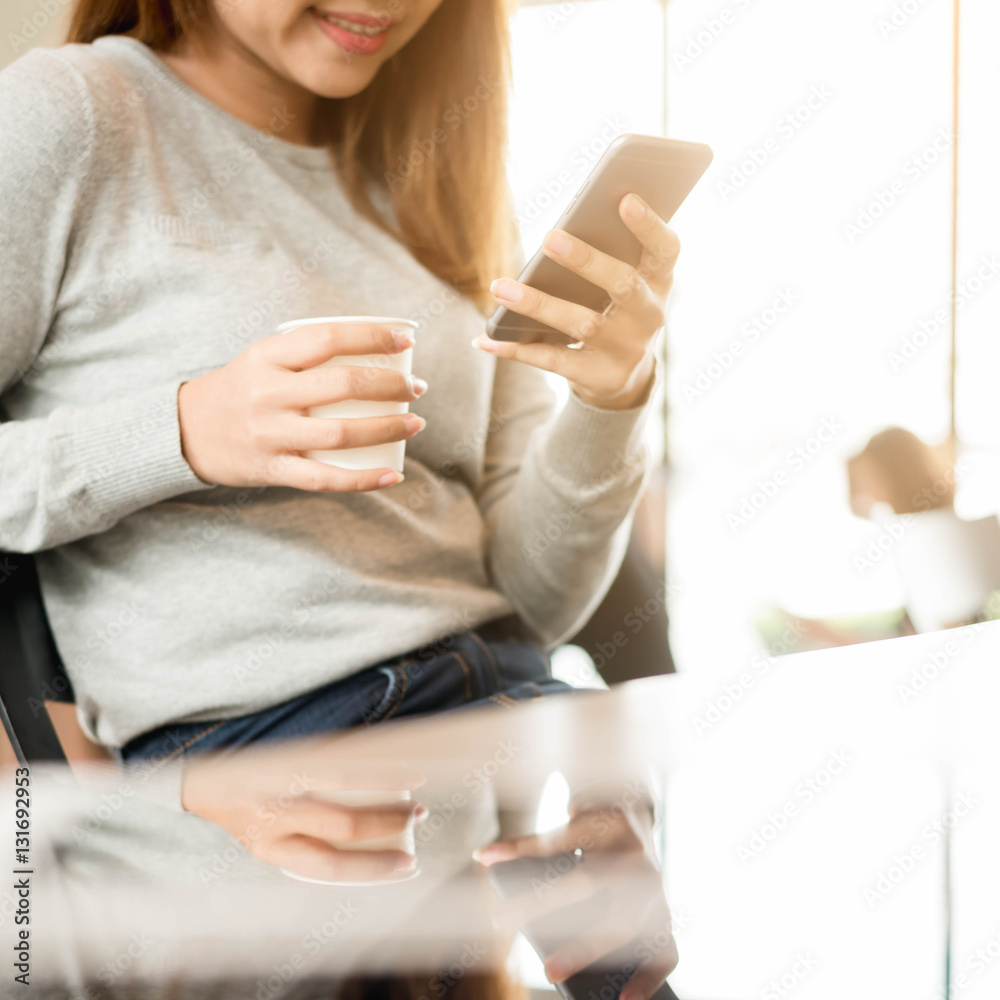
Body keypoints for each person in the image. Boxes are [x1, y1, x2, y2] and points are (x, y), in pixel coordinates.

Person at [0, 0, 680, 994]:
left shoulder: (447, 170)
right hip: (267, 768)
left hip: (511, 719)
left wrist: (608, 400)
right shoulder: (74, 117)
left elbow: (536, 596)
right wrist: (186, 429)